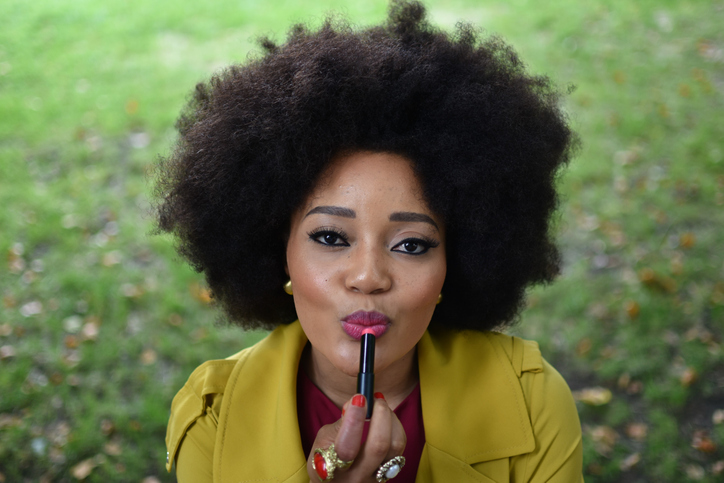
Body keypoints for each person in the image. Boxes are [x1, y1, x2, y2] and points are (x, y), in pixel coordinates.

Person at [155, 1, 583, 481]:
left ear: (455, 264)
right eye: (331, 236)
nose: (367, 277)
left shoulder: (531, 400)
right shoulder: (212, 419)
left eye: (412, 244)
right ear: (281, 253)